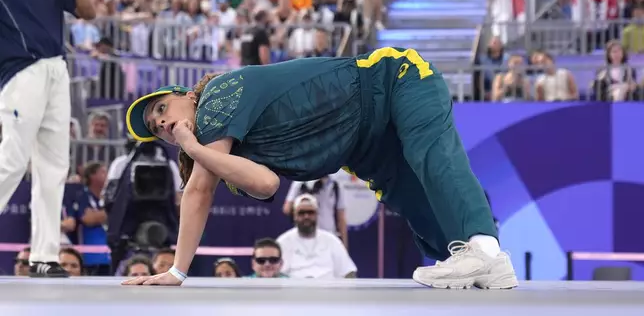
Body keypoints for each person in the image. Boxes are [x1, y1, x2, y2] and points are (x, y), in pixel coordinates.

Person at [121, 47, 519, 289]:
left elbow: (199, 190)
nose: (161, 124)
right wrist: (196, 149)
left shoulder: (218, 94)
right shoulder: (222, 152)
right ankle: (477, 261)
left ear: (186, 95)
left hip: (391, 81)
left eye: (160, 110)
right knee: (413, 201)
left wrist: (176, 272)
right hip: (362, 145)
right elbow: (264, 184)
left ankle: (484, 247)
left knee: (430, 155)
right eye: (157, 129)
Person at [0, 0, 95, 277]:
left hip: (56, 68)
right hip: (22, 72)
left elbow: (89, 13)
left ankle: (44, 256)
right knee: (12, 158)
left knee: (54, 166)